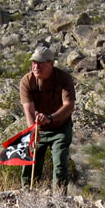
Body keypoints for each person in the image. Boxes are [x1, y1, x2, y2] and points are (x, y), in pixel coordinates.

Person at [19, 46, 76, 192]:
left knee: (60, 163)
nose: (36, 66)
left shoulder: (64, 79)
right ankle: (28, 194)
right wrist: (33, 131)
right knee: (30, 161)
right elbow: (29, 110)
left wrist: (50, 118)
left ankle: (60, 198)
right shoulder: (27, 81)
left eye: (41, 63)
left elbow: (69, 106)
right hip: (38, 128)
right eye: (34, 63)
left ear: (51, 63)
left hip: (60, 128)